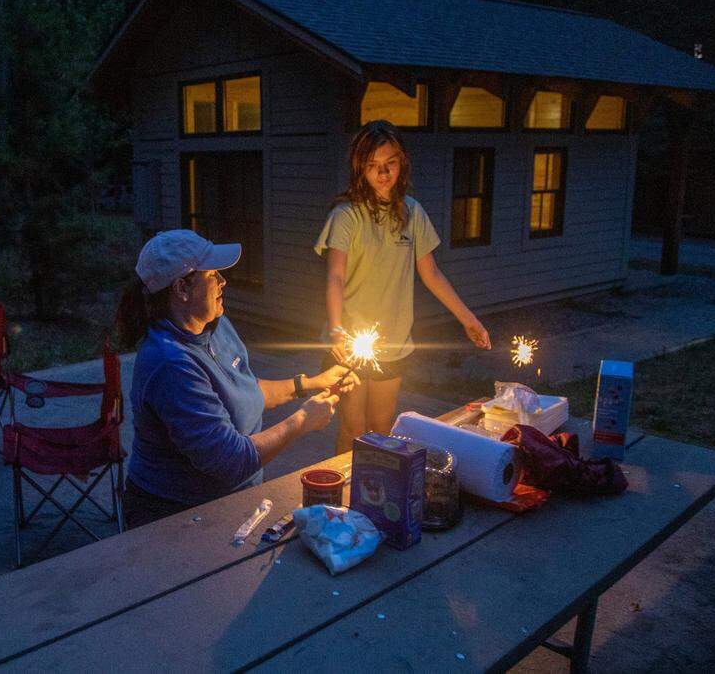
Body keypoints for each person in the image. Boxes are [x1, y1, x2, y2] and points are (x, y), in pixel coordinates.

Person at [115, 229, 360, 529]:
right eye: (213, 275)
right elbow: (231, 461)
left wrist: (310, 384)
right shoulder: (171, 363)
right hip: (178, 514)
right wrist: (302, 421)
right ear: (181, 289)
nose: (223, 281)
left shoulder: (214, 325)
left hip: (229, 500)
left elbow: (245, 391)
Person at [315, 120, 491, 455]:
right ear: (360, 167)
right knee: (353, 429)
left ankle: (377, 486)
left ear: (402, 163)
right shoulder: (346, 215)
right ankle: (346, 488)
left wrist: (468, 319)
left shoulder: (413, 212)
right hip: (350, 342)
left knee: (382, 428)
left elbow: (432, 273)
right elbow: (335, 276)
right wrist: (337, 329)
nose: (383, 173)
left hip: (393, 341)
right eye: (373, 165)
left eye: (390, 163)